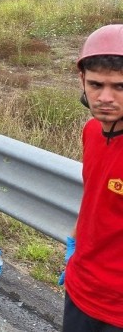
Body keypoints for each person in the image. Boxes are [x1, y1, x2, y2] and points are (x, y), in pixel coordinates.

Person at [61, 24, 123, 330]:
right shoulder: (92, 132)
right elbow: (94, 197)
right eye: (96, 85)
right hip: (80, 288)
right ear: (82, 81)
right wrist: (73, 244)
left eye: (120, 87)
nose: (105, 97)